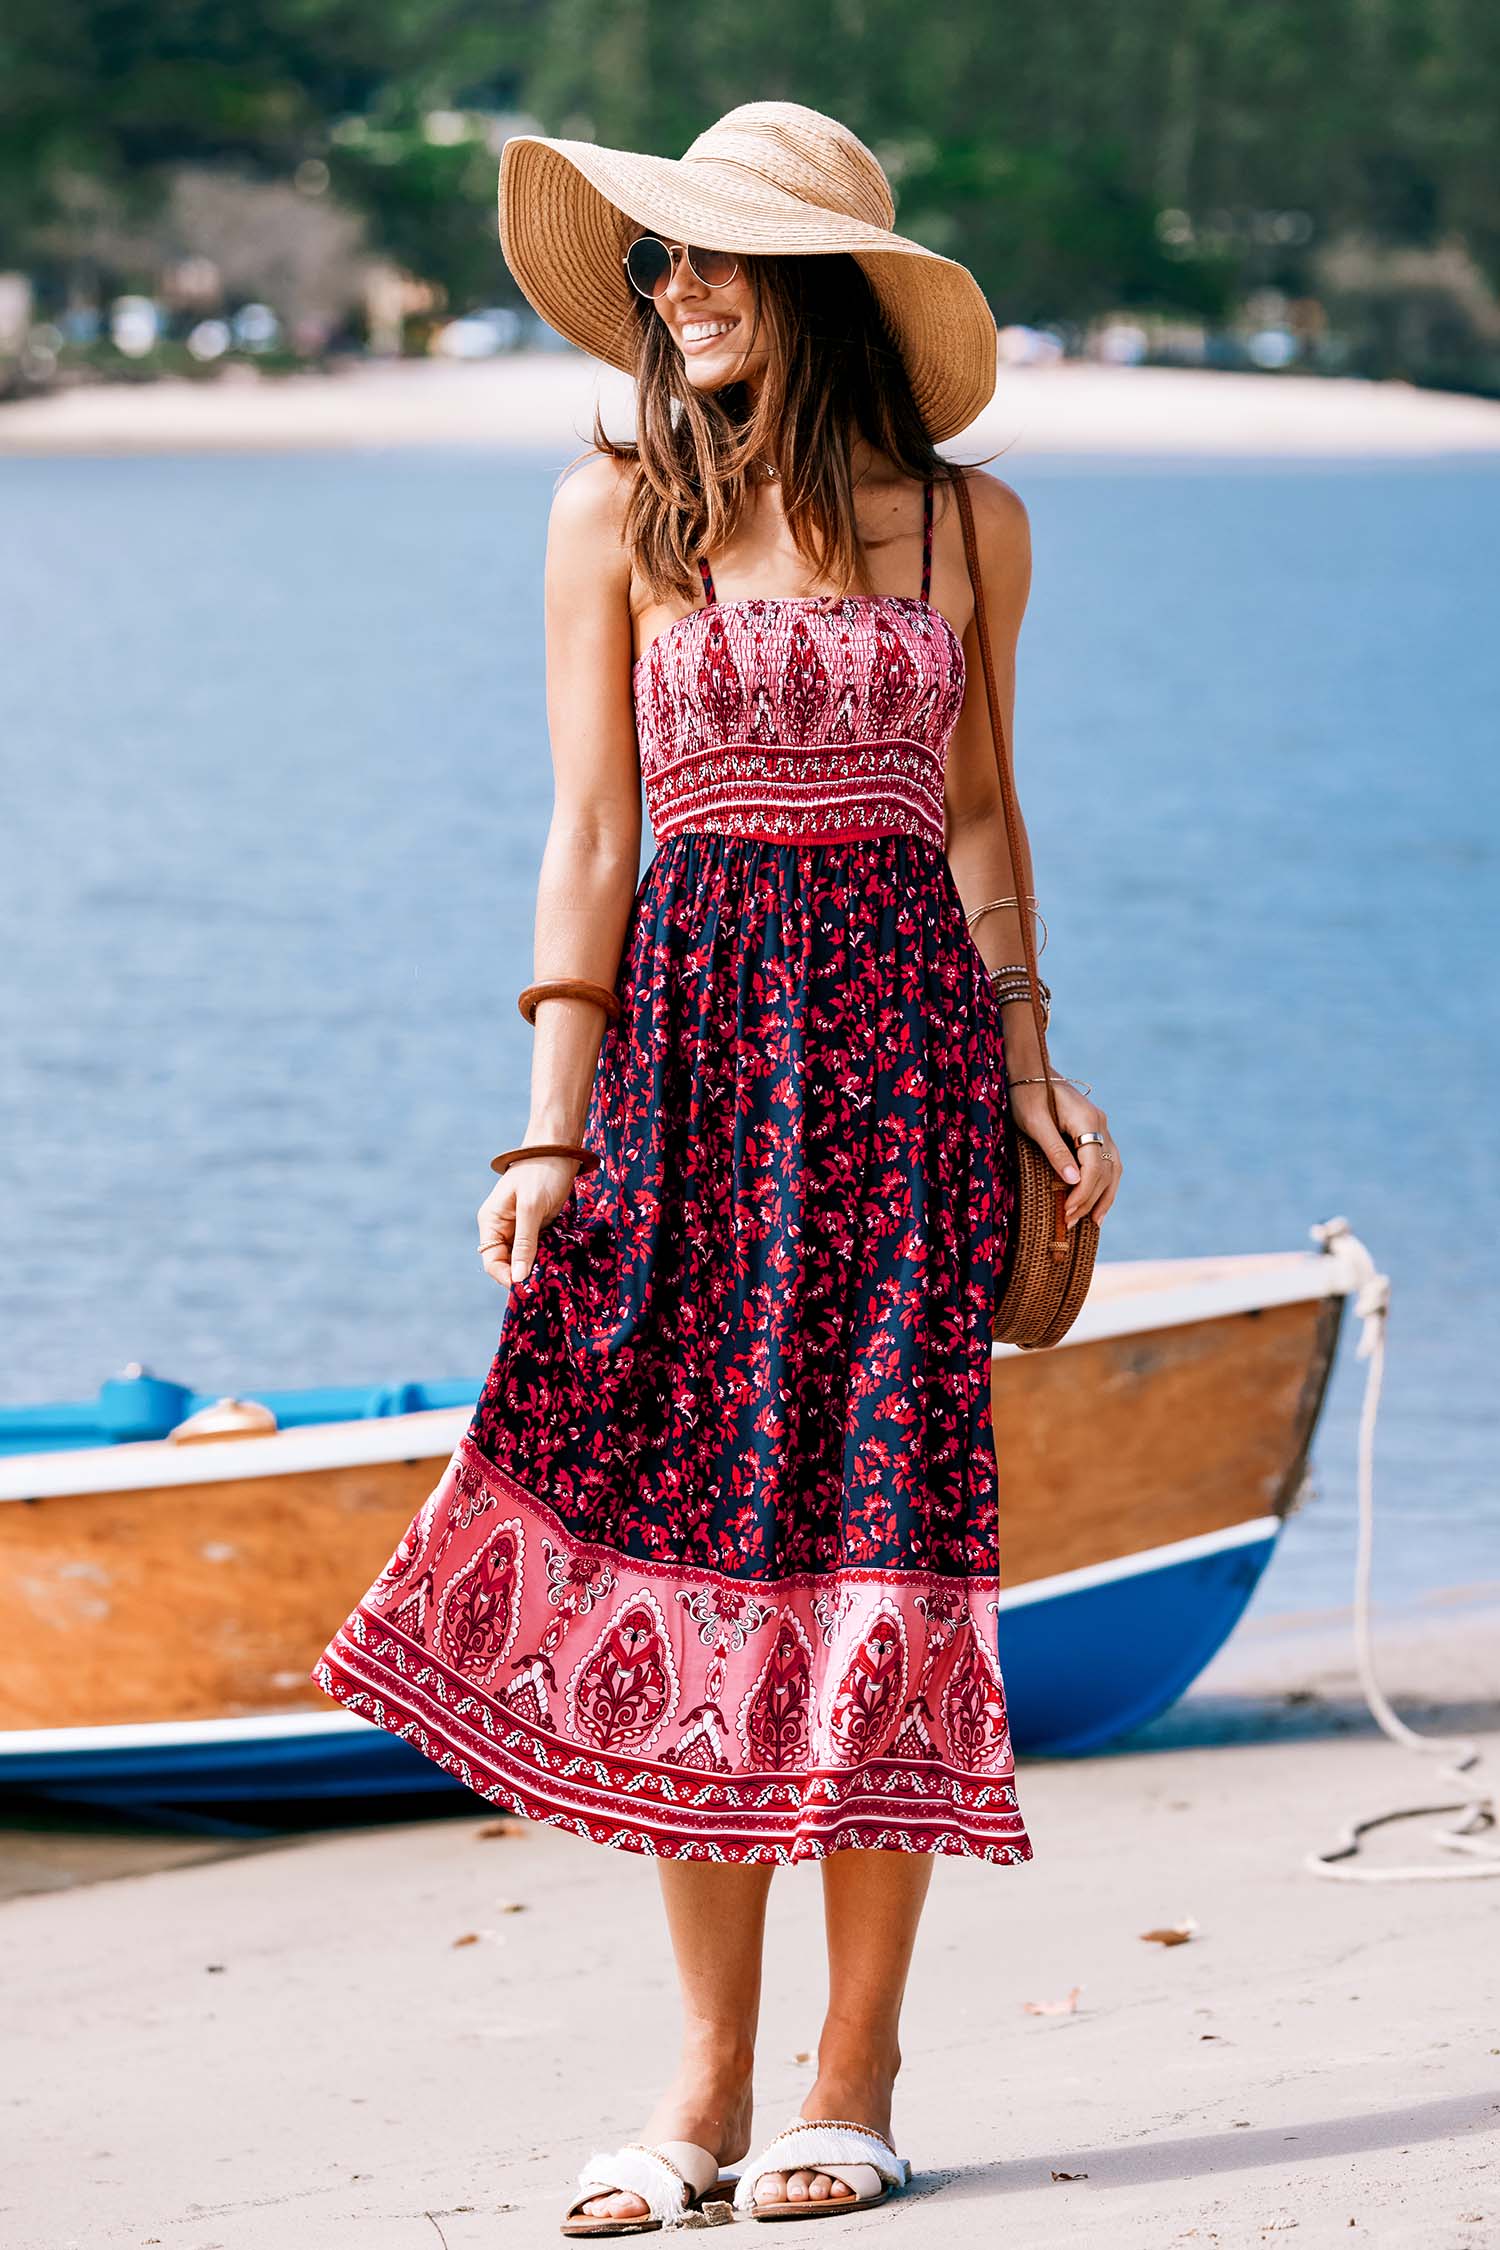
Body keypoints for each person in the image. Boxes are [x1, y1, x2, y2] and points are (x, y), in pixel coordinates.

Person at [315, 100, 1121, 2234]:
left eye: (715, 258)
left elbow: (978, 824)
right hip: (687, 1076)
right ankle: (697, 2089)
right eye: (662, 260)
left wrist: (1035, 1067)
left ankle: (846, 2081)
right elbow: (590, 834)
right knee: (683, 1549)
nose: (677, 290)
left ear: (823, 287)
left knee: (880, 1561)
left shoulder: (968, 528)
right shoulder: (611, 520)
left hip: (907, 1082)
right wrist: (546, 1128)